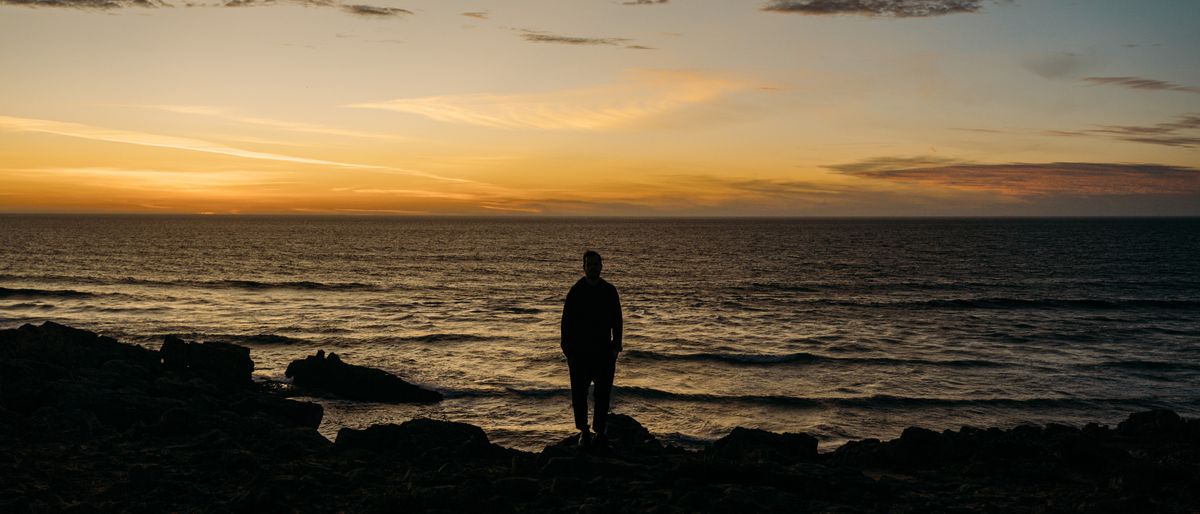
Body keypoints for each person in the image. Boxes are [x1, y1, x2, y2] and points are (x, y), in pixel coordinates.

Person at [560, 250, 623, 448]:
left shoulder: (609, 291)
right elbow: (566, 323)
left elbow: (617, 321)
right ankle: (584, 432)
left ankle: (600, 432)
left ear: (601, 266)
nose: (593, 267)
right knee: (579, 394)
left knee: (603, 394)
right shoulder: (576, 291)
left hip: (604, 353)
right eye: (590, 264)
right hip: (580, 354)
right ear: (584, 267)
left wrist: (615, 348)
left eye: (596, 264)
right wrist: (568, 351)